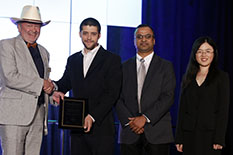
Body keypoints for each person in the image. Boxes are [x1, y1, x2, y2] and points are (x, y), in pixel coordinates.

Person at [52, 17, 122, 155]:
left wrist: (92, 116)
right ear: (80, 34)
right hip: (77, 128)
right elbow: (65, 83)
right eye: (85, 33)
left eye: (93, 34)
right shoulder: (73, 60)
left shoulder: (112, 59)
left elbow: (112, 94)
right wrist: (53, 87)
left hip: (102, 129)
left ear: (99, 35)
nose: (89, 38)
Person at [0, 5, 54, 155]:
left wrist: (52, 91)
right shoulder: (6, 45)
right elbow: (10, 77)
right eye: (29, 25)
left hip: (38, 114)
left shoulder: (44, 52)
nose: (34, 30)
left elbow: (44, 80)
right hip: (14, 116)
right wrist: (42, 84)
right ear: (19, 27)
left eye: (37, 26)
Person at [116, 24, 176, 155]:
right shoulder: (123, 67)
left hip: (157, 133)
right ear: (134, 41)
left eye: (147, 37)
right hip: (129, 133)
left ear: (154, 40)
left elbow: (168, 97)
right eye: (139, 37)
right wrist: (130, 122)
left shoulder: (166, 66)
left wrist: (145, 118)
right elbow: (117, 97)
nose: (143, 40)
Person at [175, 36, 230, 155]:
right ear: (194, 55)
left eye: (208, 51)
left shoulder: (222, 77)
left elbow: (223, 111)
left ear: (214, 54)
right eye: (199, 51)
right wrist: (179, 137)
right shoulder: (187, 78)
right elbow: (182, 109)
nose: (203, 55)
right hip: (189, 135)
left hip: (210, 136)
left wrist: (219, 138)